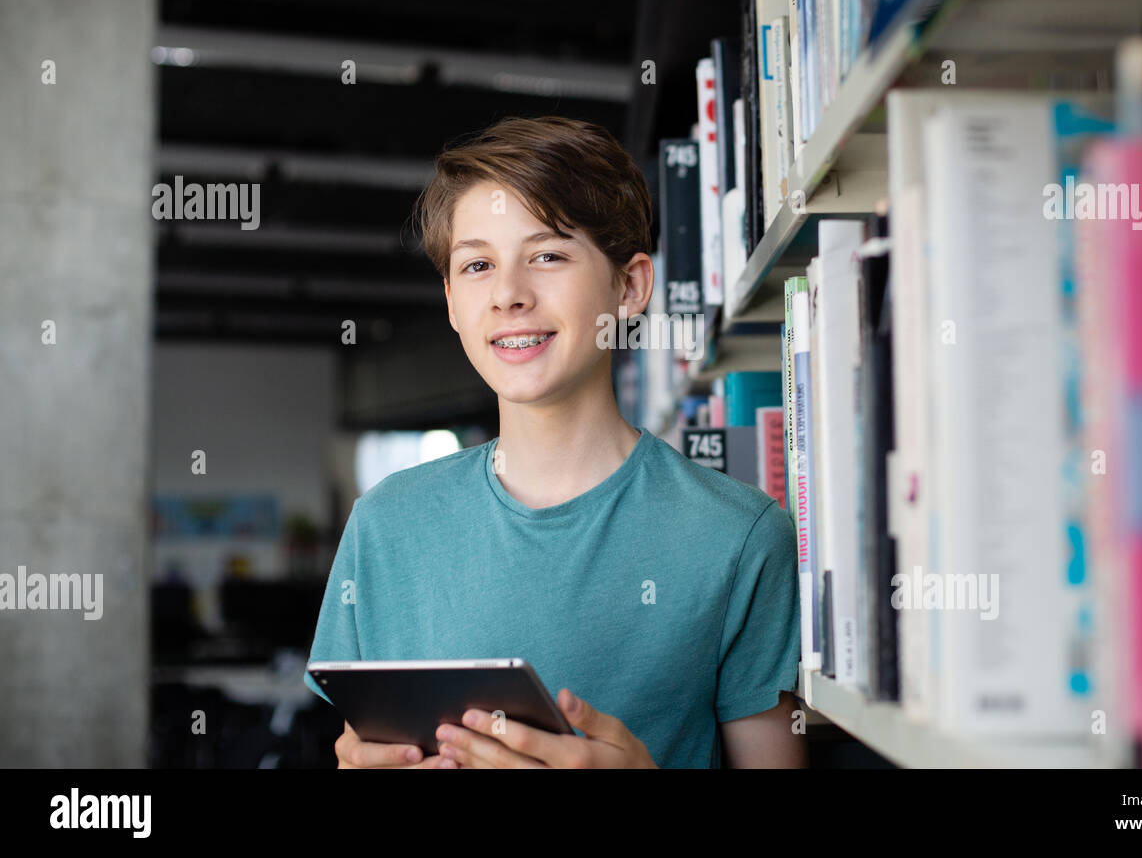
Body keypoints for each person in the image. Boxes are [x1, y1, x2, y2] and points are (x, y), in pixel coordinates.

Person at [303, 115, 805, 768]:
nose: (509, 295)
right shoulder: (385, 524)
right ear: (453, 302)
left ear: (630, 287)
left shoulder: (739, 537)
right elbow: (357, 750)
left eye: (547, 255)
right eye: (479, 264)